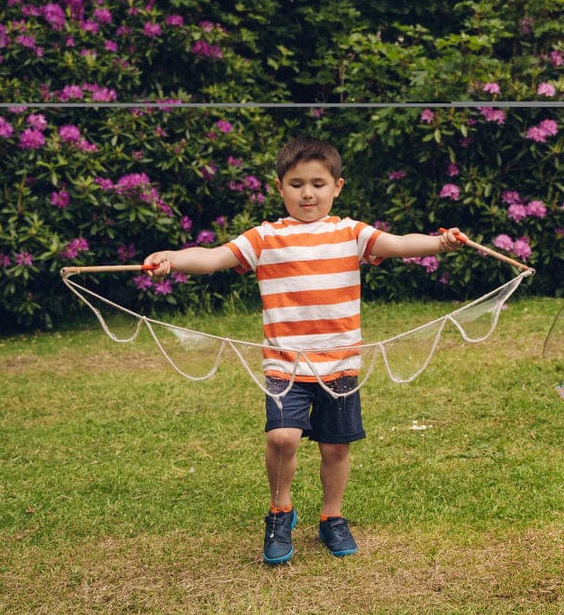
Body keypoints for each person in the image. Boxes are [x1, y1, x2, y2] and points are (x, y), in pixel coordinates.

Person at [144, 137, 464, 563]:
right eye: (296, 184)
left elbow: (399, 243)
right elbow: (213, 256)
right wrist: (171, 257)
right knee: (281, 437)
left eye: (317, 183)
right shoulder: (265, 238)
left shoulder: (351, 233)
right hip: (285, 365)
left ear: (337, 186)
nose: (307, 193)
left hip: (340, 364)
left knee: (336, 447)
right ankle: (281, 512)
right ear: (280, 188)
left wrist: (439, 244)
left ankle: (332, 517)